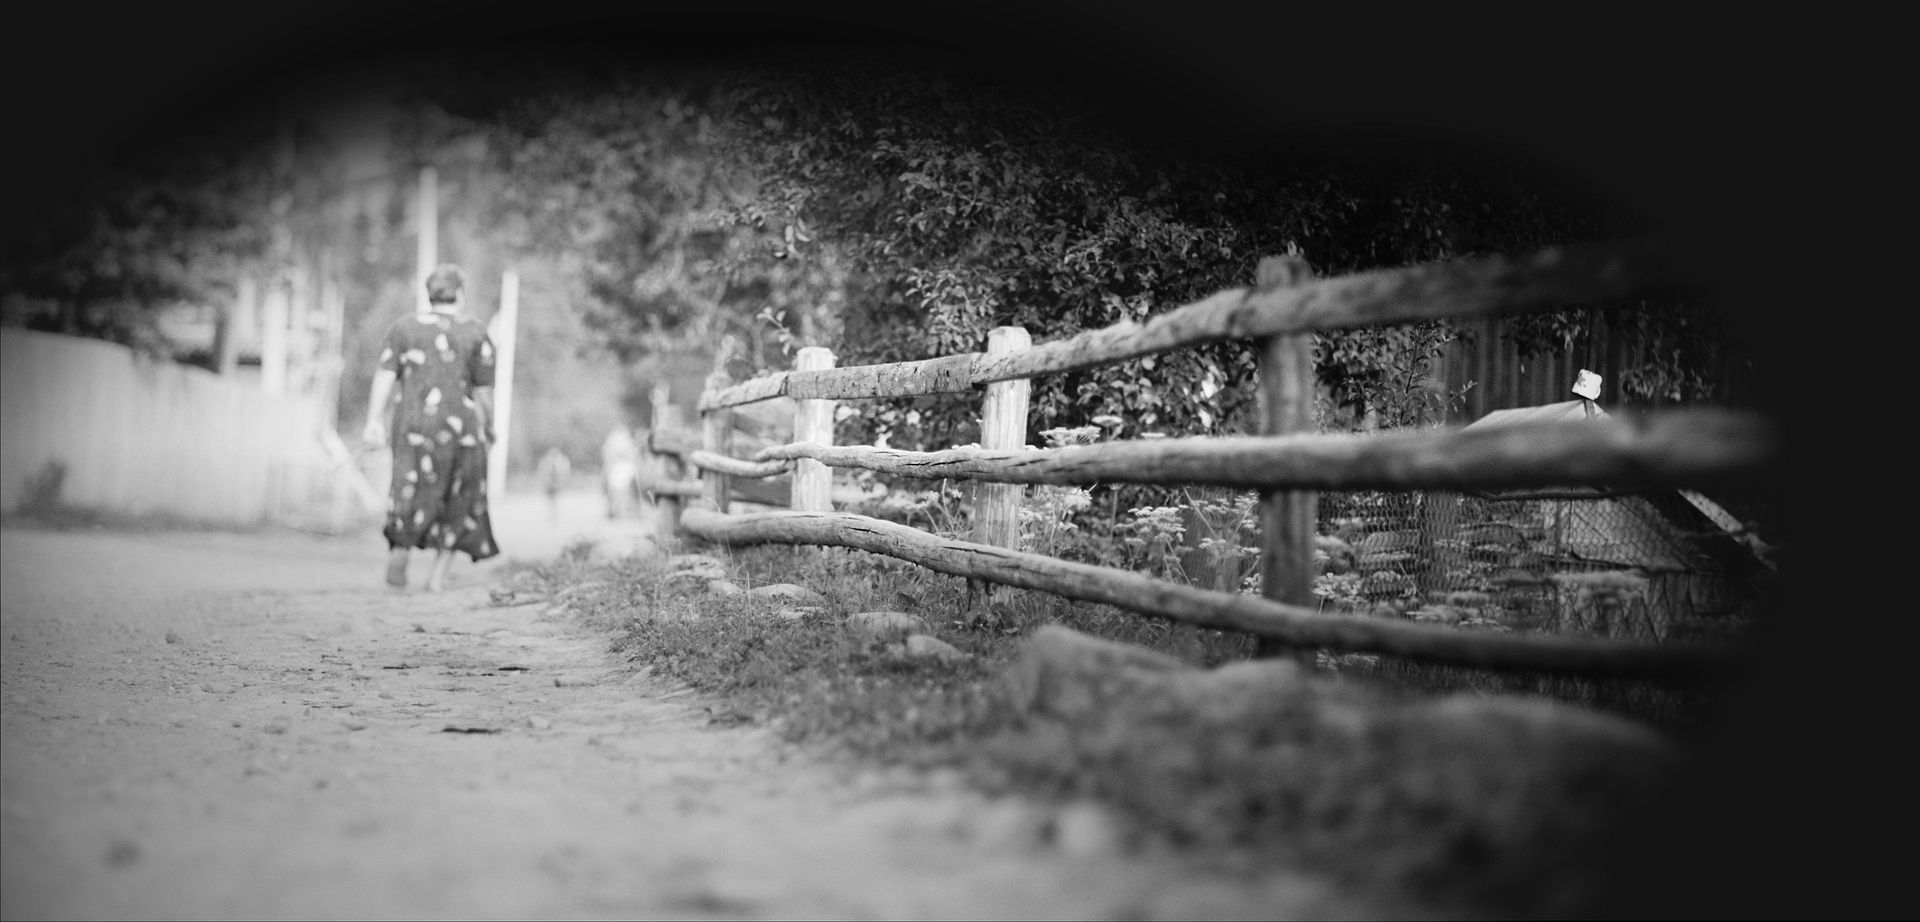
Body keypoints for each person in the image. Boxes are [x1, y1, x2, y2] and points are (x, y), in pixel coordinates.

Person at [361, 264, 500, 591]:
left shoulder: (404, 328)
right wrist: (489, 426)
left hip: (413, 424)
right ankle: (436, 579)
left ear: (429, 294)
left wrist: (372, 420)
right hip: (461, 430)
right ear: (460, 294)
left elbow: (384, 374)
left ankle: (401, 547)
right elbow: (484, 391)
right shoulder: (475, 332)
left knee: (408, 486)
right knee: (460, 494)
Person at [601, 425, 640, 519]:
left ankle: (629, 511)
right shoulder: (613, 439)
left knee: (628, 491)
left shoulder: (626, 439)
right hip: (615, 468)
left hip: (625, 468)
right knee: (612, 491)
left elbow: (632, 454)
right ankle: (613, 510)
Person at [534, 446, 571, 522]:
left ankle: (553, 514)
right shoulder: (547, 462)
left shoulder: (560, 462)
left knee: (554, 501)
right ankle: (553, 514)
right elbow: (542, 472)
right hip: (550, 484)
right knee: (552, 501)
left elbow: (565, 472)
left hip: (555, 484)